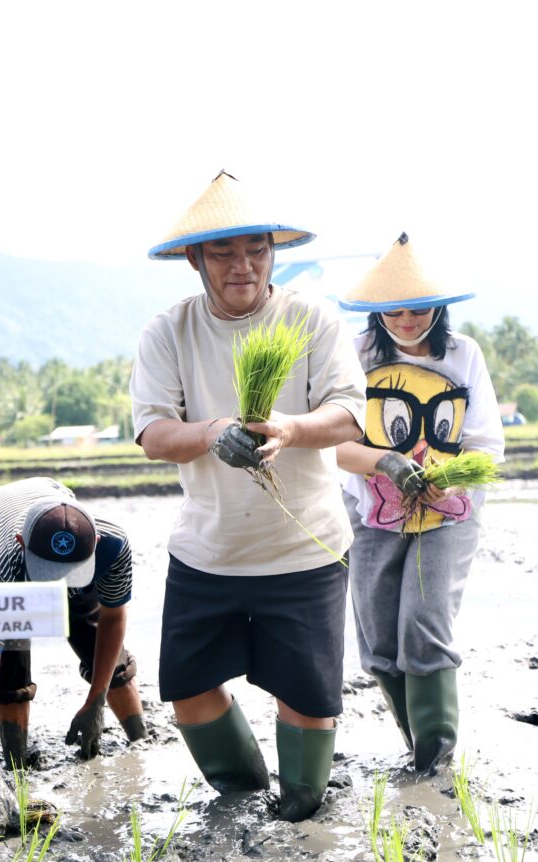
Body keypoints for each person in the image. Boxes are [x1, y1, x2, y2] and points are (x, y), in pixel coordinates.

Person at [130, 171, 366, 821]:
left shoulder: (310, 319)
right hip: (210, 550)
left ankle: (296, 809)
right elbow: (151, 432)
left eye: (257, 249)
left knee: (310, 701)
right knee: (188, 688)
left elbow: (349, 413)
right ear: (194, 258)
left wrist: (289, 428)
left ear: (273, 253)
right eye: (224, 252)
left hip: (304, 548)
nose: (244, 266)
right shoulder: (168, 333)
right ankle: (242, 797)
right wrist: (211, 433)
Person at [332, 233, 504, 776]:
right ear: (377, 310)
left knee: (425, 625)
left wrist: (449, 482)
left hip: (447, 512)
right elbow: (331, 442)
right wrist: (385, 462)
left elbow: (485, 443)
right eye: (394, 309)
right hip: (370, 511)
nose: (406, 319)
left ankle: (435, 760)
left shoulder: (463, 355)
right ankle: (415, 741)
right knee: (380, 640)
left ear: (439, 307)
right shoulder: (353, 355)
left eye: (419, 308)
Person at [0, 477, 149, 772]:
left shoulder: (112, 544)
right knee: (11, 661)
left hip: (50, 496)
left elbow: (113, 618)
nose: (58, 584)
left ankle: (141, 741)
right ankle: (14, 764)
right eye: (49, 574)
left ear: (94, 542)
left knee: (92, 630)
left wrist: (96, 699)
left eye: (69, 574)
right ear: (21, 544)